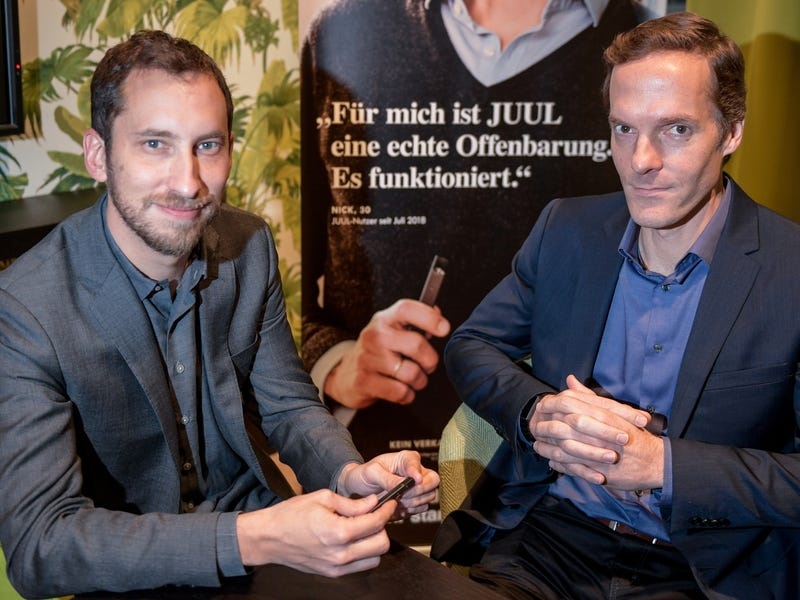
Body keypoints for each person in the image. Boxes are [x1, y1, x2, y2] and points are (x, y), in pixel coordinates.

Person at [0, 31, 439, 598]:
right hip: (133, 573)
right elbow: (41, 547)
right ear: (98, 155)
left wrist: (348, 473)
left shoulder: (248, 245)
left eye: (207, 145)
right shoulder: (24, 308)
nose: (189, 182)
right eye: (155, 144)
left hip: (267, 541)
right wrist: (254, 537)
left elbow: (288, 404)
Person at [431, 12, 800, 600]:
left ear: (731, 133)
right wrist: (537, 413)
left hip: (703, 568)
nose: (640, 159)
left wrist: (663, 467)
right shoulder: (567, 230)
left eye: (675, 129)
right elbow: (471, 345)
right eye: (623, 129)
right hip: (548, 540)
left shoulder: (791, 270)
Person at [300, 0, 643, 539]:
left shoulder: (644, 50)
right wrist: (338, 366)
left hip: (577, 494)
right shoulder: (343, 31)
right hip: (378, 484)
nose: (646, 156)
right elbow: (308, 297)